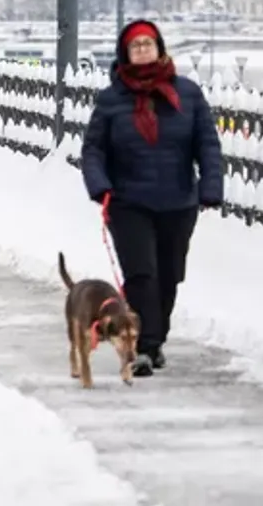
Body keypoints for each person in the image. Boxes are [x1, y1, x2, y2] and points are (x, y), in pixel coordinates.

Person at [80, 19, 222, 378]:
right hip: (128, 202)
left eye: (148, 44)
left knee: (169, 275)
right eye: (135, 46)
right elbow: (93, 149)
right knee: (141, 274)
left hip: (178, 201)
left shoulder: (187, 94)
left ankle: (156, 340)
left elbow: (207, 145)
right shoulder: (111, 100)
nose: (142, 50)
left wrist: (210, 187)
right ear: (125, 54)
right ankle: (144, 346)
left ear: (160, 48)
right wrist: (99, 185)